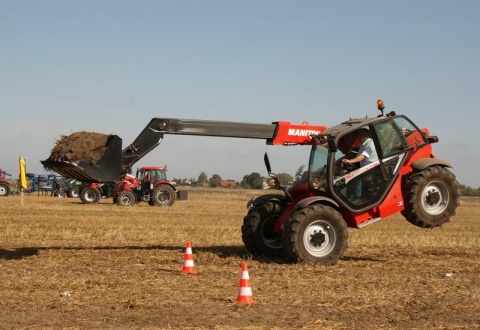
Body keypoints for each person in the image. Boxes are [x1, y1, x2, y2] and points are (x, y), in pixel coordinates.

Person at [342, 128, 378, 200]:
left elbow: (363, 156)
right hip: (365, 168)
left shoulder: (370, 144)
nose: (358, 138)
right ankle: (349, 196)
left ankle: (357, 197)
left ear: (364, 135)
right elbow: (358, 155)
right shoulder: (364, 144)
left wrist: (351, 161)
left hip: (370, 169)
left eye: (359, 135)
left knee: (356, 178)